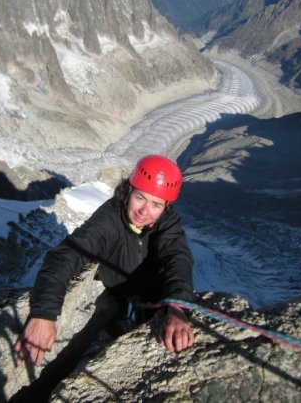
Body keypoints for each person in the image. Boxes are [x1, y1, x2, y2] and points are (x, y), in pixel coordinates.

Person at [14, 155, 194, 367]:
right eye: (140, 198)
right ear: (128, 191)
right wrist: (43, 314)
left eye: (156, 204)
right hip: (114, 300)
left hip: (152, 297)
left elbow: (177, 257)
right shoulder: (109, 219)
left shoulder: (166, 220)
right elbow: (66, 255)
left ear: (166, 207)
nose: (145, 211)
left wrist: (177, 306)